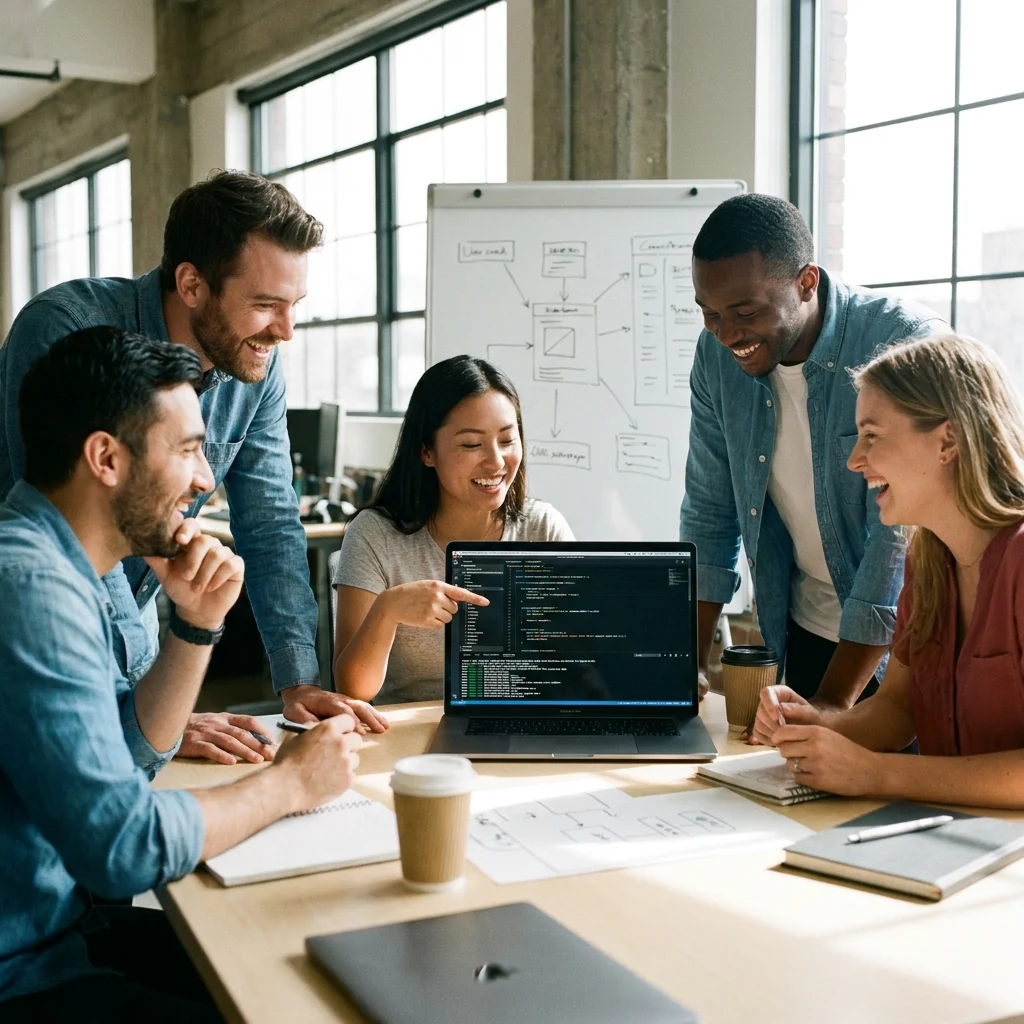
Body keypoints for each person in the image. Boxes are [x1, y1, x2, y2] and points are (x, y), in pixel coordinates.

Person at [0, 326, 363, 1020]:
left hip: (59, 929)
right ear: (105, 458)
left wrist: (196, 627)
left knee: (298, 957)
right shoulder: (31, 588)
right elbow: (123, 848)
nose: (205, 481)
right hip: (23, 971)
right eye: (190, 451)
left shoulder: (72, 570)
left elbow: (132, 761)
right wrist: (289, 783)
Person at [0, 170, 385, 767]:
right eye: (264, 305)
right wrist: (149, 713)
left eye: (293, 306)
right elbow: (72, 528)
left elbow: (271, 522)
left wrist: (298, 681)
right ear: (191, 284)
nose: (284, 331)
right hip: (34, 631)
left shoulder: (255, 365)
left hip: (140, 631)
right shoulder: (68, 330)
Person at [680, 193, 944, 710]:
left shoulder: (905, 346)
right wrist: (686, 666)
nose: (727, 334)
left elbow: (896, 542)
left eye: (745, 311)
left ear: (807, 282)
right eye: (709, 313)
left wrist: (834, 703)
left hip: (904, 645)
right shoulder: (715, 356)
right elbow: (710, 511)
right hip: (802, 627)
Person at [750, 333, 1024, 806]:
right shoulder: (928, 561)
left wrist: (877, 774)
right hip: (946, 839)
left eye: (872, 436)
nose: (855, 460)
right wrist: (819, 726)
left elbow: (885, 764)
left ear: (948, 441)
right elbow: (899, 708)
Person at [333, 355, 574, 703]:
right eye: (471, 444)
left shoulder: (542, 527)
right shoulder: (374, 535)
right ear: (426, 452)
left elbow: (579, 663)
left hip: (521, 722)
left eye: (507, 440)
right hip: (406, 738)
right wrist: (387, 611)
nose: (495, 461)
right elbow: (352, 690)